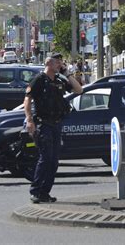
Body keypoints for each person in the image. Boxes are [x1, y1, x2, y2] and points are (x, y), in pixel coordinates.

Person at [25, 53, 82, 204]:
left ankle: (45, 193)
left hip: (57, 124)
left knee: (54, 161)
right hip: (44, 124)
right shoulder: (39, 80)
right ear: (49, 63)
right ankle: (35, 191)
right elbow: (27, 99)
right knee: (45, 158)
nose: (60, 65)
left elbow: (79, 90)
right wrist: (29, 120)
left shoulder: (59, 80)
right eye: (58, 63)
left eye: (61, 63)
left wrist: (67, 73)